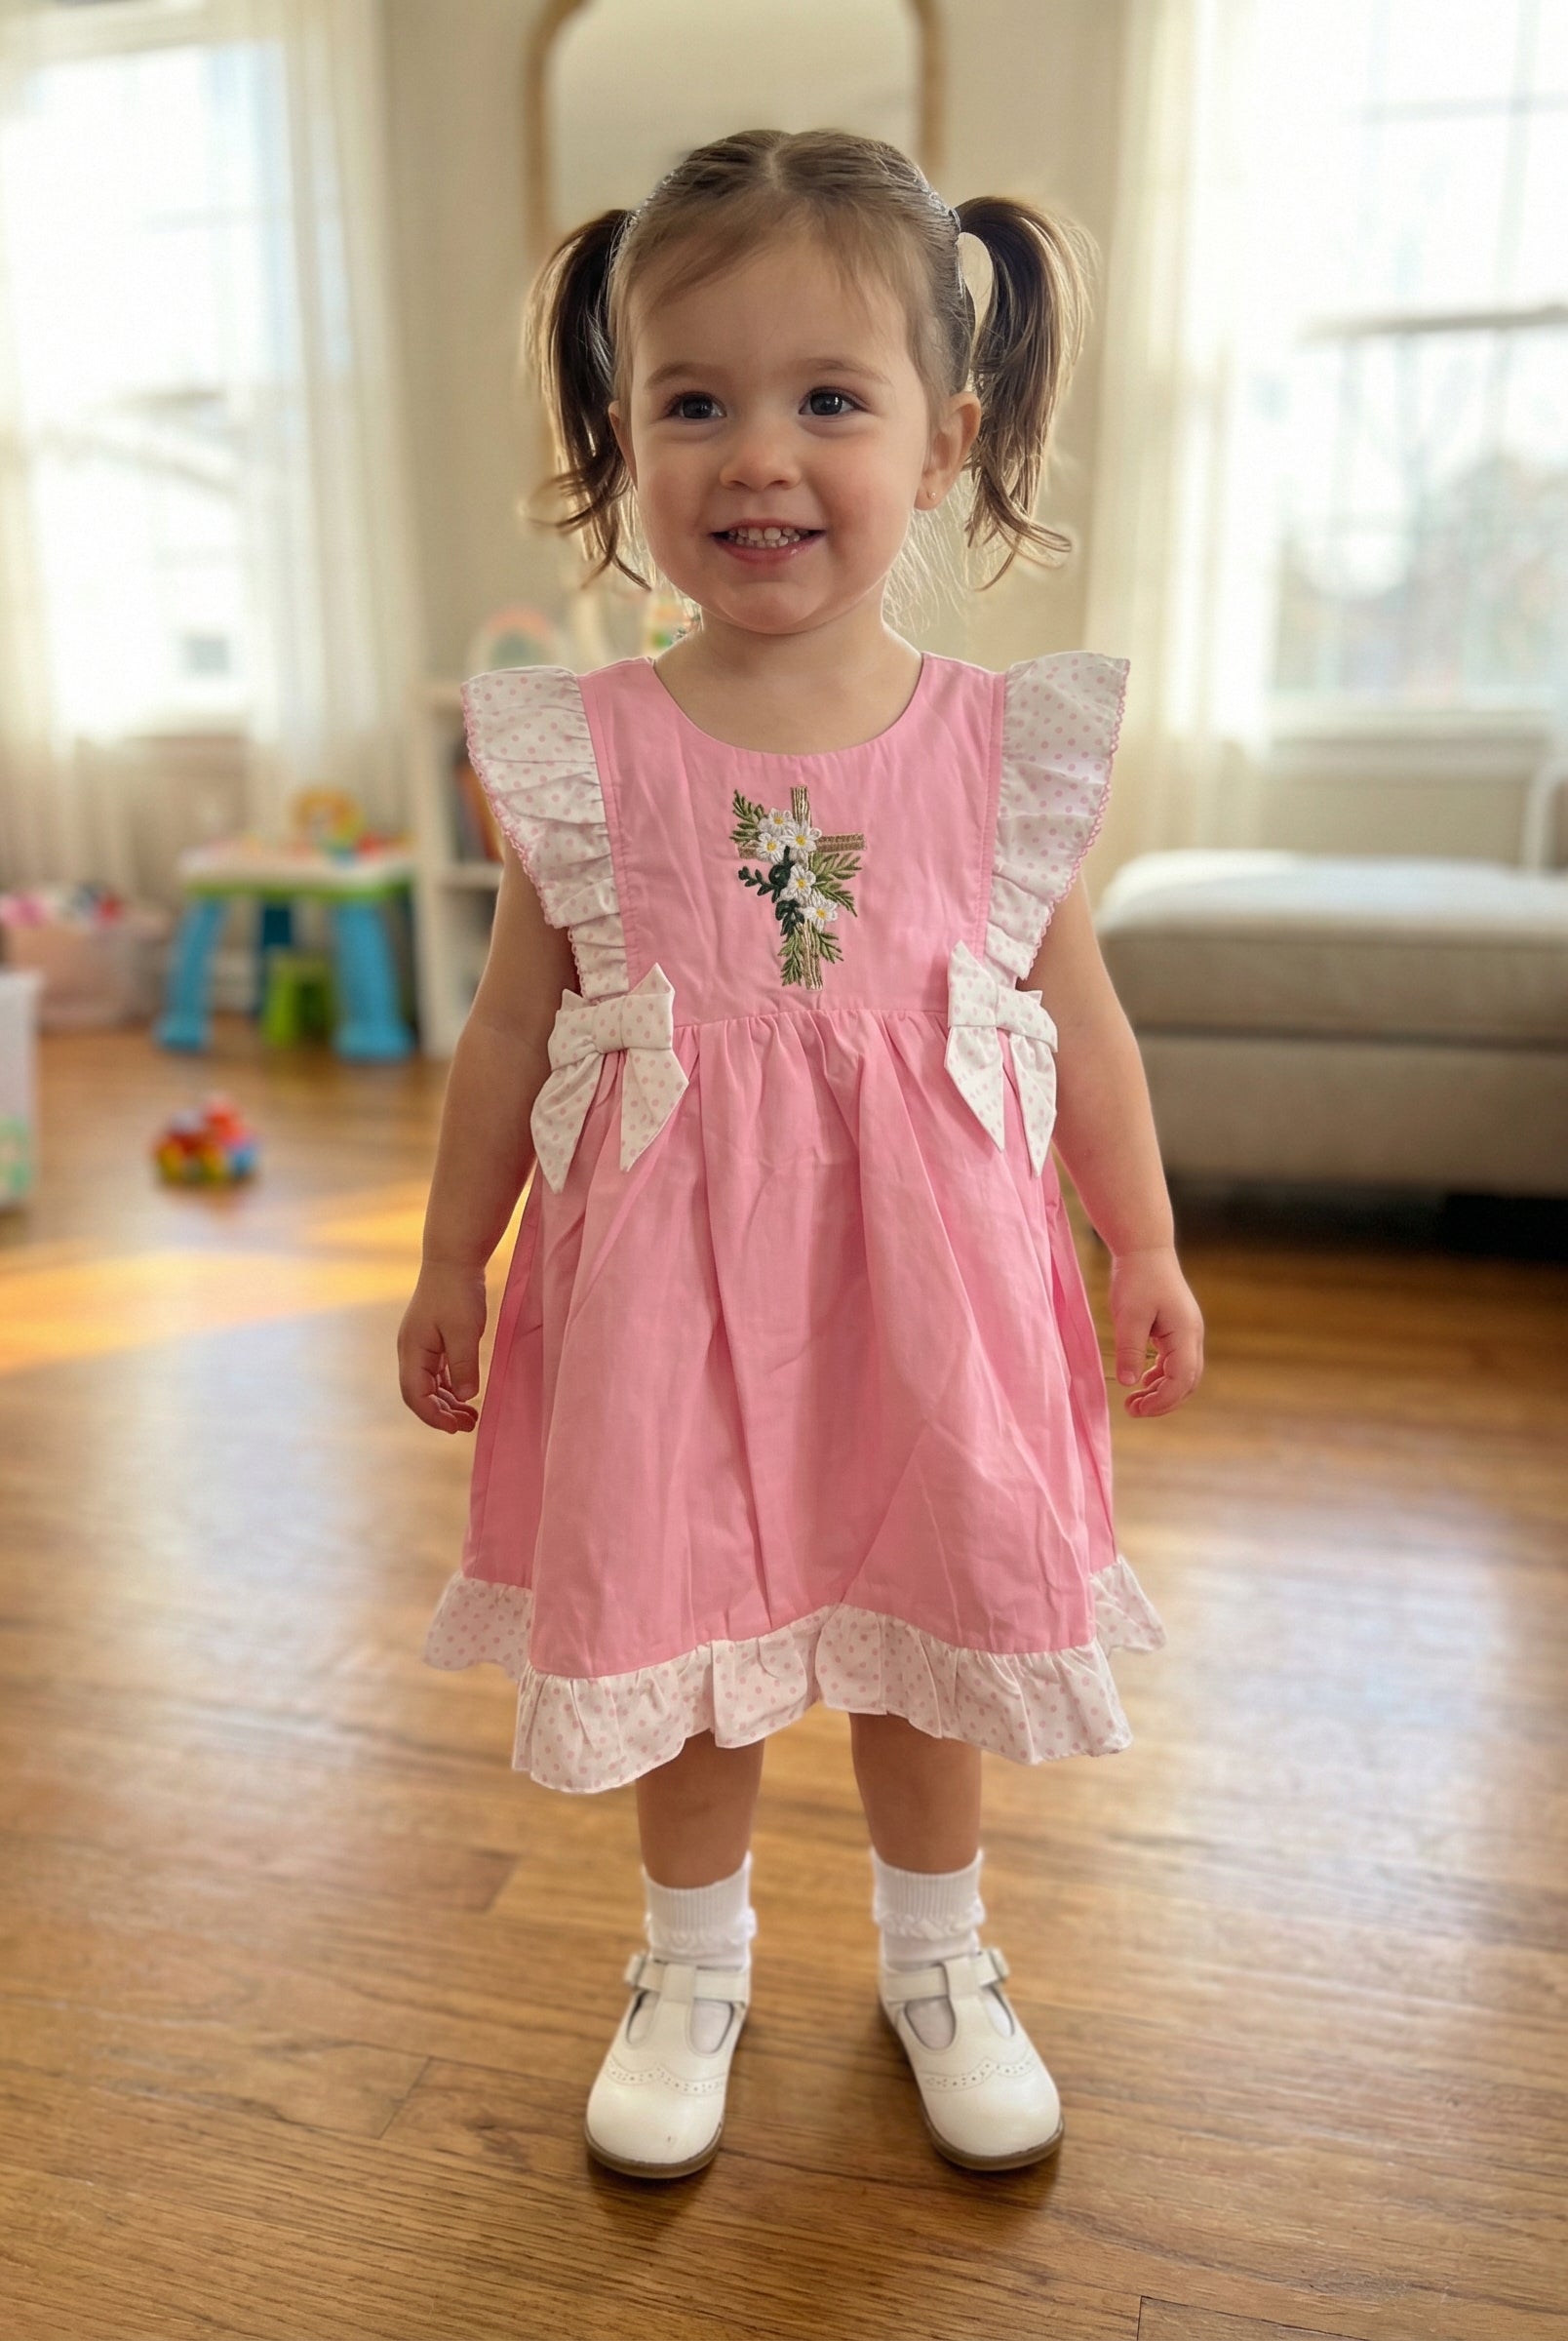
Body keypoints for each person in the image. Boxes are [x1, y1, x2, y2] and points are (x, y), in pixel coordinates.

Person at [398, 127, 1204, 2185]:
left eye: (826, 400)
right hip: (673, 1306)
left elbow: (1075, 1018)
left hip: (927, 1304)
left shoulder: (1000, 752)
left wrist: (1143, 1243)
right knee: (695, 1653)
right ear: (621, 444)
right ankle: (691, 1962)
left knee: (920, 1632)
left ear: (941, 445)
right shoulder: (584, 757)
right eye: (695, 403)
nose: (759, 456)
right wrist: (445, 1262)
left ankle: (944, 1957)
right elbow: (512, 1035)